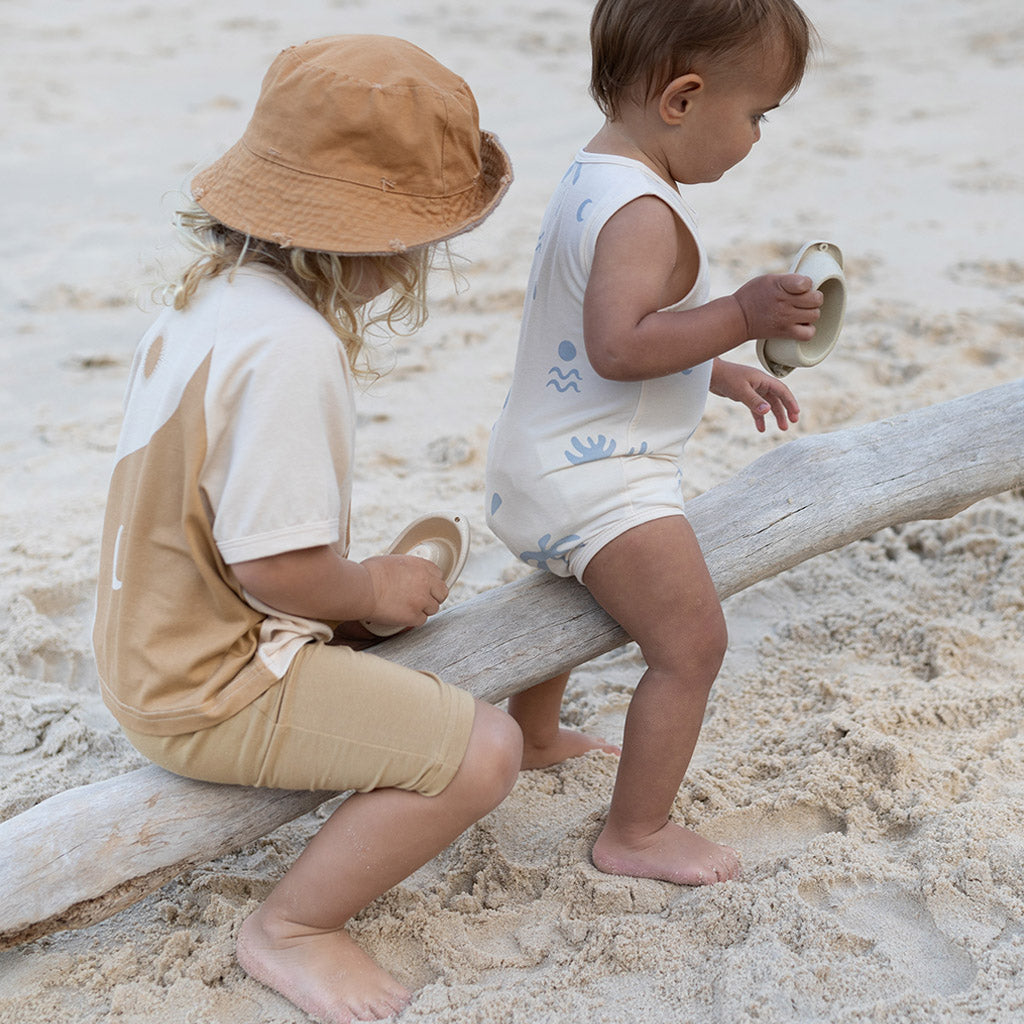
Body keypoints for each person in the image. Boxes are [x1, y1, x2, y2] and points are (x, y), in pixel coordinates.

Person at [93, 35, 520, 1024]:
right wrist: (368, 588)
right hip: (206, 686)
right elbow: (274, 563)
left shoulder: (209, 299)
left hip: (147, 646)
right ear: (384, 237)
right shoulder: (292, 348)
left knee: (399, 655)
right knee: (481, 752)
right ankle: (289, 927)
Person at [486, 0, 821, 887]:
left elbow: (593, 339)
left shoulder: (593, 174)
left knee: (574, 593)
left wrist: (723, 367)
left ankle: (534, 733)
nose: (757, 137)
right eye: (756, 115)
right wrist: (741, 315)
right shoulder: (644, 212)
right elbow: (621, 345)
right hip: (600, 479)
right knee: (691, 646)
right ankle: (637, 831)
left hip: (541, 461)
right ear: (682, 99)